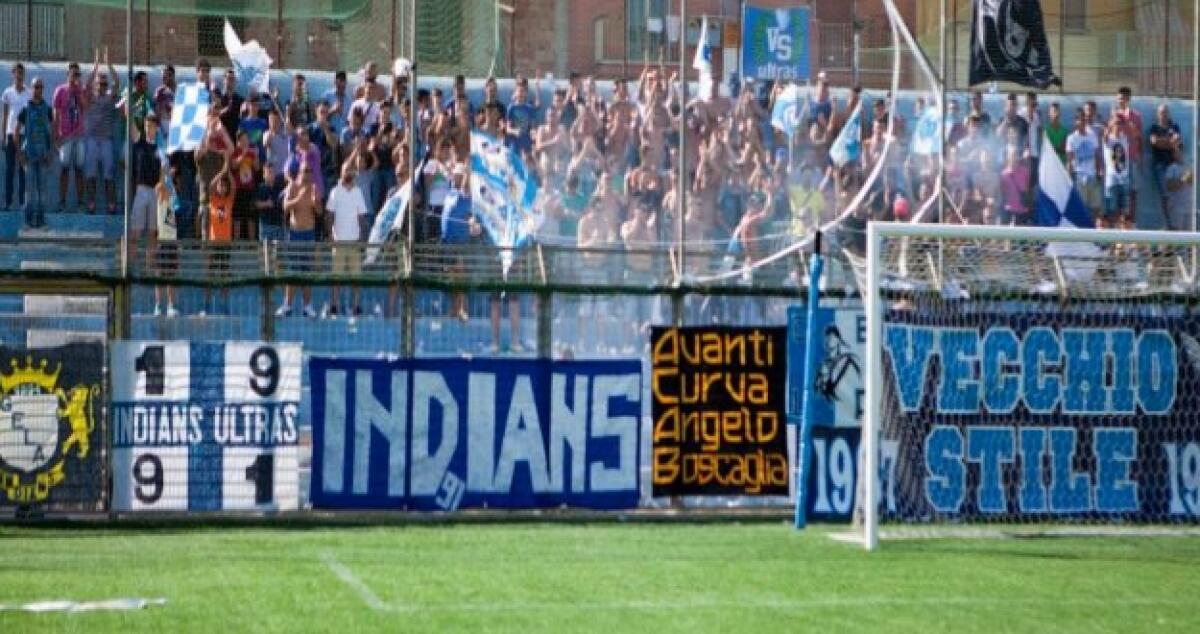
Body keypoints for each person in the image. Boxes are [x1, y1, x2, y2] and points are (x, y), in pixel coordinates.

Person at [277, 163, 321, 318]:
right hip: (295, 234)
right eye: (305, 171)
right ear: (299, 172)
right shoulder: (292, 187)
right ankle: (287, 305)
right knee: (293, 271)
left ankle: (307, 306)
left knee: (307, 272)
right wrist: (298, 199)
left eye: (310, 171)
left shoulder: (314, 188)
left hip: (309, 234)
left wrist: (315, 202)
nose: (307, 174)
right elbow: (285, 207)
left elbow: (319, 211)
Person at [325, 164, 369, 317]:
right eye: (346, 170)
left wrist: (363, 238)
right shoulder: (335, 191)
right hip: (338, 241)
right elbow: (329, 215)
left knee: (356, 277)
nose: (348, 173)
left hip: (354, 241)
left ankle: (356, 306)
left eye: (350, 171)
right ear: (341, 172)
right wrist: (330, 237)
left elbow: (362, 216)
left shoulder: (358, 192)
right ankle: (334, 305)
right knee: (336, 277)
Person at [14, 78, 54, 229]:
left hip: (43, 156)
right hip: (29, 156)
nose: (38, 89)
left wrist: (50, 153)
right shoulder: (25, 109)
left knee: (42, 192)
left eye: (40, 87)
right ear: (31, 88)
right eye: (35, 87)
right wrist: (20, 154)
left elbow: (52, 132)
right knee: (29, 192)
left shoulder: (48, 109)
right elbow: (17, 132)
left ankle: (41, 221)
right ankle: (28, 221)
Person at [84, 48, 120, 214]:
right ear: (96, 84)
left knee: (109, 174)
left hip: (106, 140)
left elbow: (118, 82)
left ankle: (111, 204)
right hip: (92, 140)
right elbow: (86, 84)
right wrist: (96, 64)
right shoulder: (90, 97)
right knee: (90, 173)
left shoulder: (109, 98)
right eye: (100, 83)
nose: (103, 86)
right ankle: (90, 203)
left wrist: (108, 63)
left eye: (105, 84)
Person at [53, 61, 88, 212]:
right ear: (68, 74)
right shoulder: (60, 90)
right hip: (65, 136)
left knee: (80, 170)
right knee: (64, 169)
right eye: (73, 73)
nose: (76, 76)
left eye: (78, 74)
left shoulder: (80, 90)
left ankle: (80, 203)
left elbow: (85, 107)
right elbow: (56, 114)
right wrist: (56, 135)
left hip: (79, 135)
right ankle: (62, 202)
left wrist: (78, 91)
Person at [129, 113, 162, 270]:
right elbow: (131, 125)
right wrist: (128, 108)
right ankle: (130, 267)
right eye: (146, 125)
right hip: (141, 190)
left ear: (157, 128)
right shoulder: (140, 142)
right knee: (135, 230)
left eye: (151, 126)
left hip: (155, 191)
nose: (148, 128)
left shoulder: (161, 147)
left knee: (152, 233)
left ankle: (150, 267)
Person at [201, 159, 234, 315]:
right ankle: (207, 305)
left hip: (225, 243)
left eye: (223, 185)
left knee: (224, 275)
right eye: (220, 186)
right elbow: (210, 186)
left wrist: (228, 172)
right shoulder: (213, 200)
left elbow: (234, 187)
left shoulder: (228, 200)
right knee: (209, 275)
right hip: (213, 243)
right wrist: (222, 171)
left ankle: (224, 306)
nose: (221, 187)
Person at [154, 166, 181, 317]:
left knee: (172, 275)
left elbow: (171, 189)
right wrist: (163, 173)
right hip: (162, 242)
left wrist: (170, 178)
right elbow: (160, 186)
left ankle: (171, 305)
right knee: (159, 275)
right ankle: (158, 305)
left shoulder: (172, 201)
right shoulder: (161, 200)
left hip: (172, 242)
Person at [2, 62, 29, 210]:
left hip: (24, 136)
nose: (19, 75)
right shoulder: (7, 92)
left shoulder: (29, 93)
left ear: (24, 75)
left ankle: (22, 202)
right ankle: (7, 202)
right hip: (11, 135)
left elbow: (31, 116)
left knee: (23, 170)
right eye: (16, 72)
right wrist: (3, 137)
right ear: (13, 74)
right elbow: (5, 115)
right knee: (9, 170)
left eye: (21, 72)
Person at [1066, 112, 1103, 219]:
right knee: (1082, 206)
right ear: (1075, 122)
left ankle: (1095, 231)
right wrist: (1069, 176)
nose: (1082, 122)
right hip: (1079, 176)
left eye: (1084, 120)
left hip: (1092, 175)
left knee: (1096, 206)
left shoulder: (1092, 136)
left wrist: (1099, 171)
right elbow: (1069, 160)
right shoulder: (1071, 138)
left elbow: (1097, 155)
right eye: (1080, 120)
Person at [1148, 104, 1181, 219]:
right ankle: (1169, 222)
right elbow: (1154, 142)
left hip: (1173, 165)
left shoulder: (1174, 126)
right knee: (1165, 195)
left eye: (1165, 112)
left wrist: (1163, 143)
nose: (1164, 115)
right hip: (1160, 165)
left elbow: (1176, 142)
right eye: (1161, 113)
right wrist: (1169, 143)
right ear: (1158, 114)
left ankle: (1174, 221)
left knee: (1176, 194)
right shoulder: (1154, 128)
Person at [1102, 112, 1133, 230]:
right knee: (1112, 209)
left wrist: (1126, 123)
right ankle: (1112, 232)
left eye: (1120, 123)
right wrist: (1110, 125)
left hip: (1124, 178)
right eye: (1117, 123)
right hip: (1112, 179)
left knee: (1125, 209)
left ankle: (1122, 234)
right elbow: (1104, 137)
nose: (1119, 125)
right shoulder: (1108, 139)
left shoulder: (1124, 138)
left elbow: (1134, 133)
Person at [230, 130, 259, 240]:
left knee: (251, 216)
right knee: (237, 217)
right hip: (238, 189)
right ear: (238, 141)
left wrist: (255, 157)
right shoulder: (235, 152)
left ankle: (252, 242)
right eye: (242, 140)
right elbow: (233, 166)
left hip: (250, 188)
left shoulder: (252, 153)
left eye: (246, 139)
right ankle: (237, 241)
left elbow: (256, 168)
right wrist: (243, 154)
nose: (245, 142)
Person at [1163, 143, 1194, 232]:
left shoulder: (1189, 167)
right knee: (1177, 233)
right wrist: (1183, 179)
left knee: (1188, 236)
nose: (1178, 154)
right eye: (1175, 152)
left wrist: (1189, 177)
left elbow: (1192, 182)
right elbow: (1170, 186)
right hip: (1176, 208)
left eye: (1179, 151)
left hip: (1188, 207)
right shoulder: (1171, 168)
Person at [255, 162, 285, 242]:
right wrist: (266, 204)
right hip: (265, 225)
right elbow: (256, 204)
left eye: (272, 172)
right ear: (264, 175)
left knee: (278, 252)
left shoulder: (278, 188)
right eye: (269, 172)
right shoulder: (261, 188)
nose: (271, 174)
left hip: (278, 224)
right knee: (266, 252)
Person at [323, 70, 350, 134]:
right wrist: (332, 110)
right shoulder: (327, 96)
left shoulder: (349, 100)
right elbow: (320, 116)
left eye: (343, 81)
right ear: (334, 82)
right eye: (339, 82)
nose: (341, 84)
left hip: (343, 136)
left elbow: (349, 121)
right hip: (329, 134)